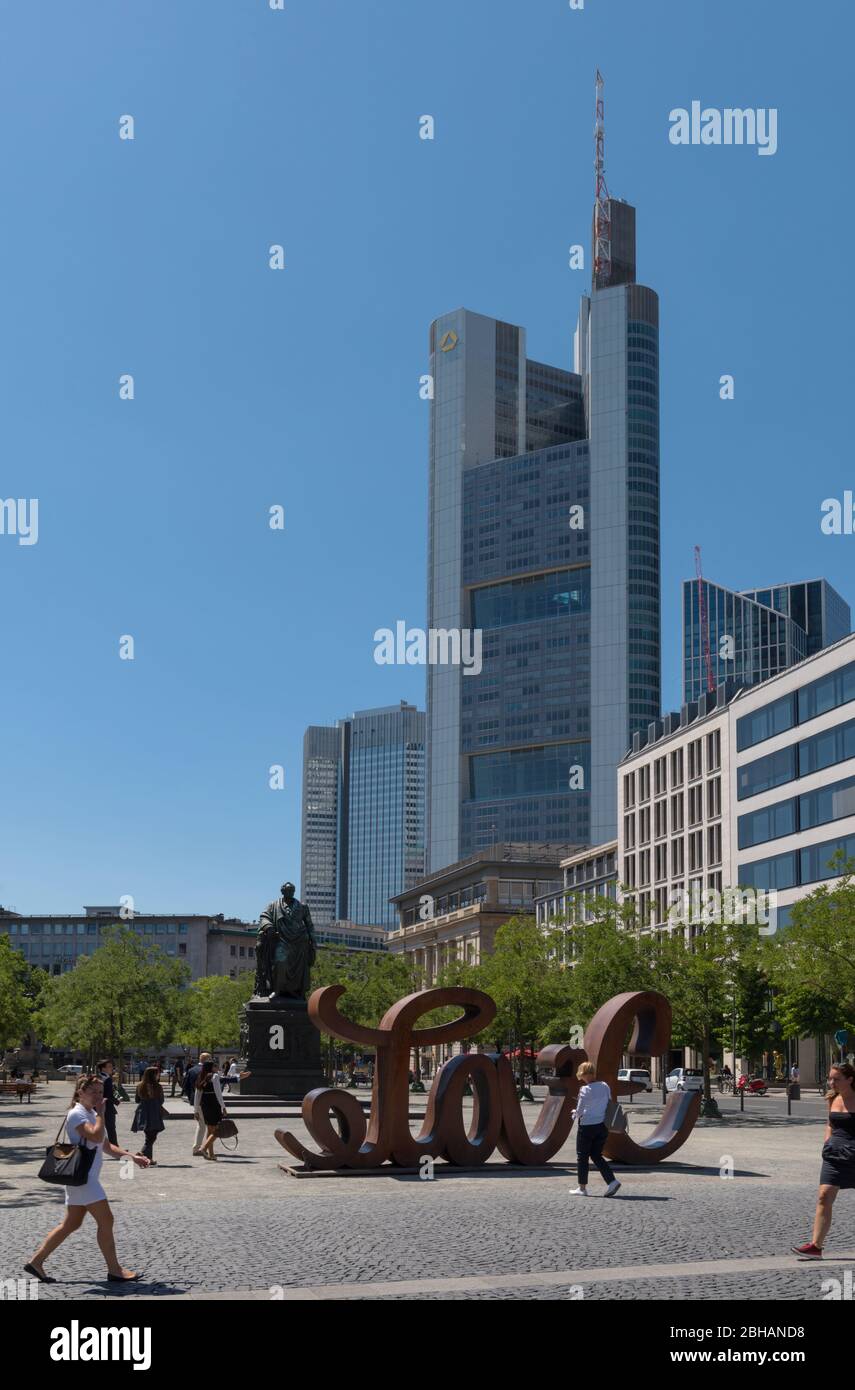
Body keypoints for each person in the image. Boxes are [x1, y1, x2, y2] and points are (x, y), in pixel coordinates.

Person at [25, 1075, 149, 1284]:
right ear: (80, 1092)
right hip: (84, 1179)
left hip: (83, 1178)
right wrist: (101, 1114)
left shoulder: (90, 1112)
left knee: (71, 1224)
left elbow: (106, 1146)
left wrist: (132, 1158)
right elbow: (94, 1136)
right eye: (93, 1092)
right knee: (106, 1220)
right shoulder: (77, 1114)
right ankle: (115, 1270)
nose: (98, 1096)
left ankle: (36, 1262)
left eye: (101, 1092)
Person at [793, 1062, 855, 1259]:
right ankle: (816, 1246)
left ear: (850, 1080)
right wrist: (827, 1141)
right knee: (824, 1196)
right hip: (834, 1154)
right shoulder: (833, 1098)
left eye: (836, 1079)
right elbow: (830, 1123)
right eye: (830, 1078)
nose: (831, 1082)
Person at [568, 1061, 621, 1198]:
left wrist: (574, 1113)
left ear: (583, 1074)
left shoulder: (584, 1090)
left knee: (582, 1157)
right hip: (602, 1126)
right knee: (597, 1155)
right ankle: (612, 1181)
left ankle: (582, 1188)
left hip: (587, 1126)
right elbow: (608, 1102)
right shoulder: (604, 1086)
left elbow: (579, 1111)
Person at [132, 1066, 167, 1164]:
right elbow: (161, 1100)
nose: (158, 1075)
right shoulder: (158, 1086)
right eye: (157, 1073)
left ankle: (148, 1158)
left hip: (143, 1111)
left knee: (149, 1135)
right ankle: (143, 1153)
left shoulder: (140, 1086)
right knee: (152, 1135)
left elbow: (136, 1100)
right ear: (154, 1075)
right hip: (154, 1111)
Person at [196, 1060, 227, 1161]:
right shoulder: (214, 1076)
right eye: (215, 1066)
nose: (217, 1068)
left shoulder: (201, 1076)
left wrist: (196, 1109)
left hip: (205, 1104)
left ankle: (211, 1154)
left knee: (210, 1129)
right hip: (214, 1104)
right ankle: (204, 1148)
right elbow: (218, 1093)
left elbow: (198, 1094)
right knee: (217, 1130)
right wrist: (223, 1106)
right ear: (211, 1067)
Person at [184, 1052, 212, 1156]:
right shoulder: (207, 1071)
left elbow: (185, 1085)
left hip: (196, 1100)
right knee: (204, 1125)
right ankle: (200, 1148)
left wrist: (191, 1098)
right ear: (208, 1060)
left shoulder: (191, 1070)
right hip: (206, 1101)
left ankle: (202, 1147)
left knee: (201, 1124)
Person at [96, 1059, 119, 1146]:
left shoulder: (97, 1077)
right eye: (109, 1066)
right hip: (106, 1107)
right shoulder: (107, 1079)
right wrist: (117, 1101)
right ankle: (115, 1148)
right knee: (111, 1128)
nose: (112, 1068)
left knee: (100, 1127)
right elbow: (108, 1095)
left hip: (97, 1106)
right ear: (103, 1069)